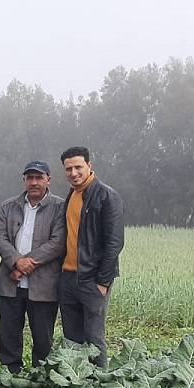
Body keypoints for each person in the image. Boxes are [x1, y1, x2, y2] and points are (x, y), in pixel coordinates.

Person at [0, 161, 67, 374]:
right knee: (8, 332)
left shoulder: (60, 207)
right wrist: (15, 261)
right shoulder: (9, 205)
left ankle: (40, 377)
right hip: (10, 280)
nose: (34, 182)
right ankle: (11, 375)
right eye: (30, 178)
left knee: (43, 335)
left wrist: (25, 265)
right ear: (24, 180)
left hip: (44, 285)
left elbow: (57, 242)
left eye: (39, 178)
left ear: (48, 180)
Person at [58, 146, 124, 367]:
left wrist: (103, 282)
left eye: (78, 167)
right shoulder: (71, 195)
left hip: (92, 279)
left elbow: (114, 242)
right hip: (67, 277)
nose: (74, 173)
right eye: (69, 169)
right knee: (72, 340)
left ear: (89, 166)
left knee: (94, 338)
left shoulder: (107, 196)